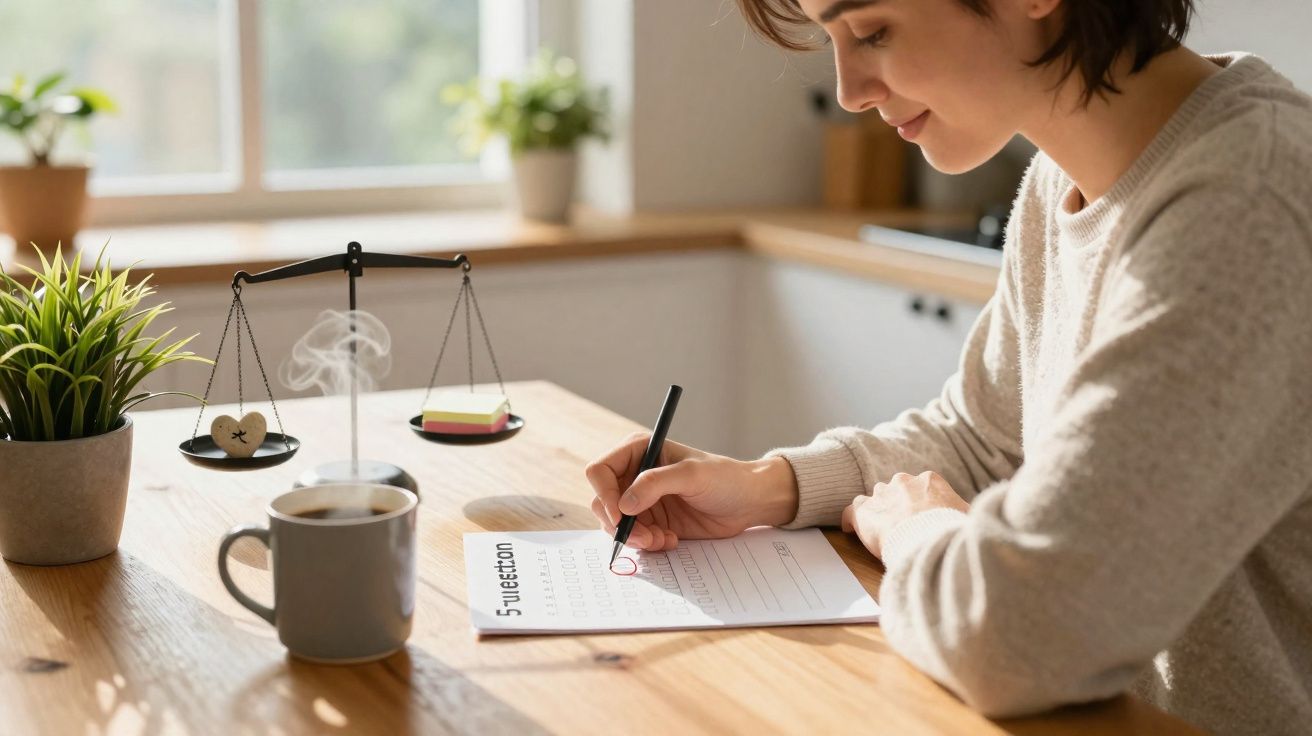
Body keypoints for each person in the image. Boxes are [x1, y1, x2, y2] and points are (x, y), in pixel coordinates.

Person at [584, 1, 1312, 733]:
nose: (848, 91)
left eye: (872, 31)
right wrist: (769, 485)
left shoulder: (1247, 202)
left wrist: (916, 533)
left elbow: (1018, 639)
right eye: (831, 40)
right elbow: (982, 439)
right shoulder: (1061, 181)